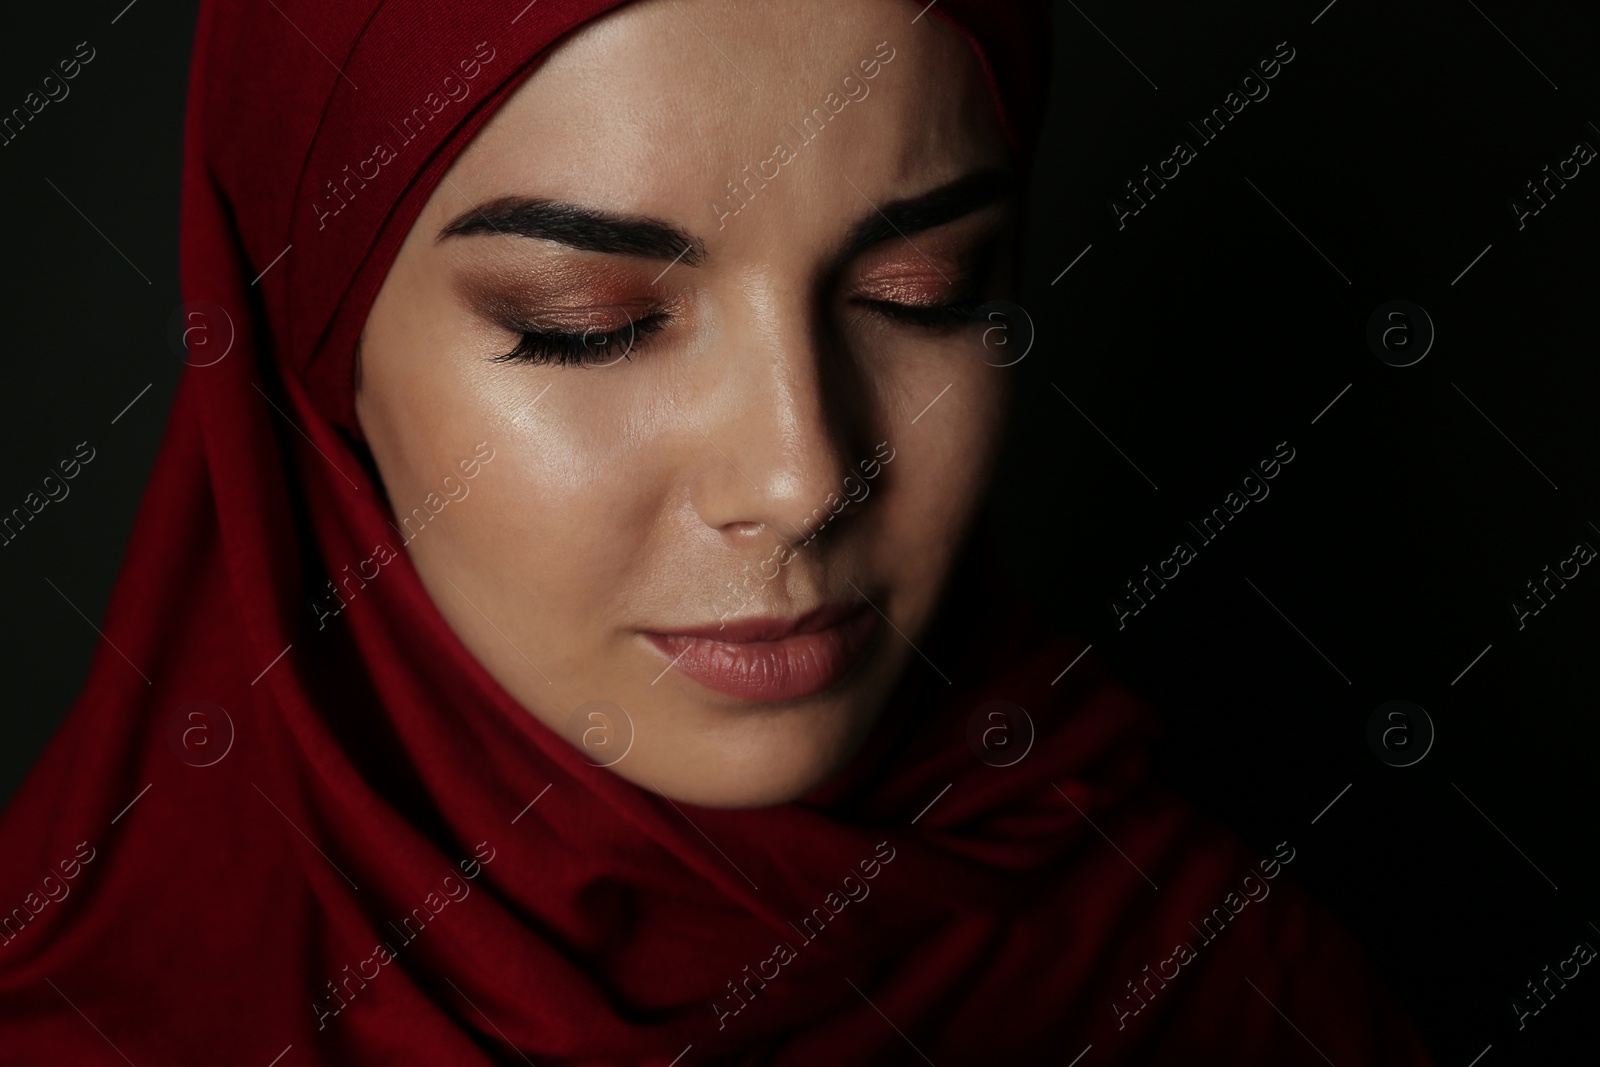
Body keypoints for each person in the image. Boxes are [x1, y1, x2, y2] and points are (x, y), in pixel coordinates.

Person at [0, 1, 1434, 1062]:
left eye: (922, 293)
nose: (806, 477)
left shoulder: (1228, 994)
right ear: (310, 367)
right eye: (595, 327)